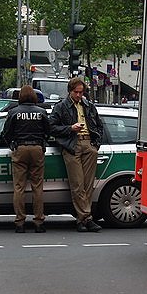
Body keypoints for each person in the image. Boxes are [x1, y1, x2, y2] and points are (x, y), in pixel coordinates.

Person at [49, 77, 104, 232]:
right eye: (76, 92)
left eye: (81, 92)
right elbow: (52, 127)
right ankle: (86, 218)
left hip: (88, 144)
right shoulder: (61, 107)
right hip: (72, 145)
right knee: (77, 185)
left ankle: (82, 219)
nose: (79, 95)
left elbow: (99, 126)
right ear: (70, 91)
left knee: (88, 185)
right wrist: (70, 128)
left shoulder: (89, 105)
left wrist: (95, 145)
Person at [0, 85, 51, 233]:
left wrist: (13, 145)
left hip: (20, 149)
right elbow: (48, 131)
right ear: (34, 96)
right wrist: (43, 143)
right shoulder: (41, 112)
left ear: (20, 96)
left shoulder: (13, 112)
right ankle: (39, 222)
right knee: (37, 187)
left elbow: (6, 133)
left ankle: (20, 222)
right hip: (37, 149)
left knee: (19, 187)